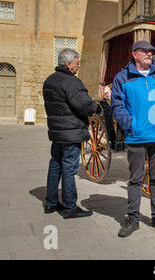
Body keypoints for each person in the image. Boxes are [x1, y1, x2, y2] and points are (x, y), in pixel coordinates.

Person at [111, 40, 155, 237]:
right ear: (134, 54)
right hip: (137, 137)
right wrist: (130, 124)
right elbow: (117, 105)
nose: (149, 53)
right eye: (145, 51)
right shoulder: (123, 77)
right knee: (135, 179)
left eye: (151, 51)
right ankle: (132, 218)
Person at [42, 48, 101, 219]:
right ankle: (69, 207)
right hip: (71, 132)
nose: (78, 66)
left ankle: (51, 202)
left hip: (57, 132)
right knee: (69, 168)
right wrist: (96, 107)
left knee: (55, 165)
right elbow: (84, 105)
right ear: (68, 64)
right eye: (76, 63)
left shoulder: (49, 80)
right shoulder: (71, 82)